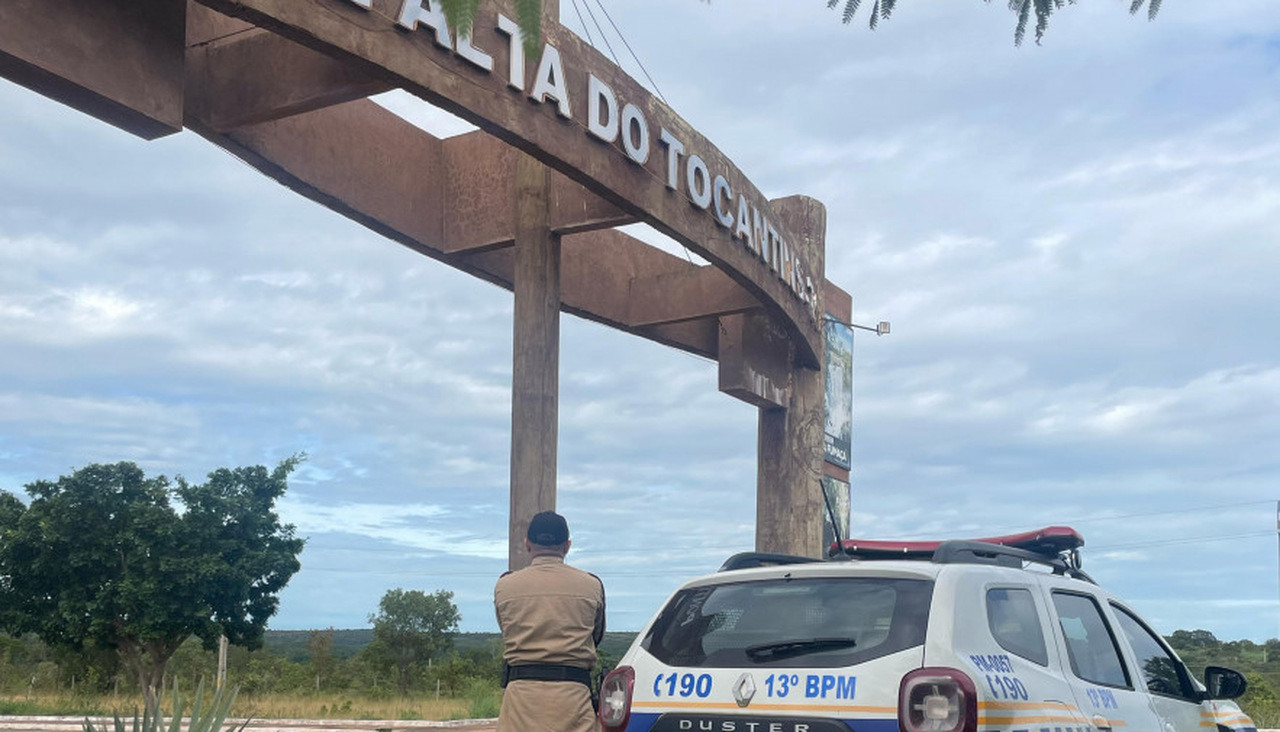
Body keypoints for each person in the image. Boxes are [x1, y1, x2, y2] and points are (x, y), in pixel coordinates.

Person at [495, 510, 606, 732]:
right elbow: (597, 635)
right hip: (573, 700)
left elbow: (506, 630)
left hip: (520, 702)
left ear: (527, 544)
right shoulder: (592, 585)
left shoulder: (505, 586)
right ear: (567, 546)